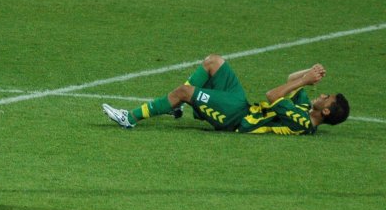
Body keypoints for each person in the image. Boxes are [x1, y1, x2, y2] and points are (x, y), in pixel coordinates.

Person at [102, 54, 350, 135]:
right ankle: (174, 106)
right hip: (242, 106)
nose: (321, 95)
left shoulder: (303, 122)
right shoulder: (306, 108)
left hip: (236, 120)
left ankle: (130, 118)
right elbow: (290, 81)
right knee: (214, 62)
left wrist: (306, 81)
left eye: (325, 98)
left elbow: (273, 95)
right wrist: (309, 73)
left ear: (326, 111)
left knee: (184, 91)